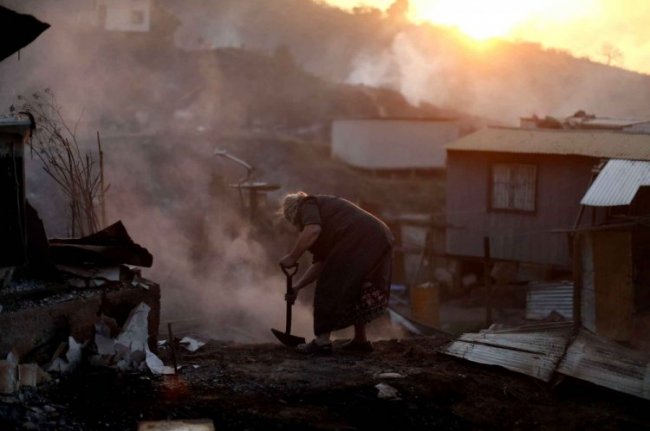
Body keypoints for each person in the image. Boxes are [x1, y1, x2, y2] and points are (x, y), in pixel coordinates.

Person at [279, 192, 394, 354]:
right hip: (379, 236)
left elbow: (312, 229)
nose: (301, 226)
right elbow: (321, 263)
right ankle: (360, 341)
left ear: (294, 213)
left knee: (329, 285)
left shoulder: (307, 203)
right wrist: (297, 287)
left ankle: (322, 342)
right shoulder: (329, 222)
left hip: (361, 237)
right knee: (358, 287)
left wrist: (292, 257)